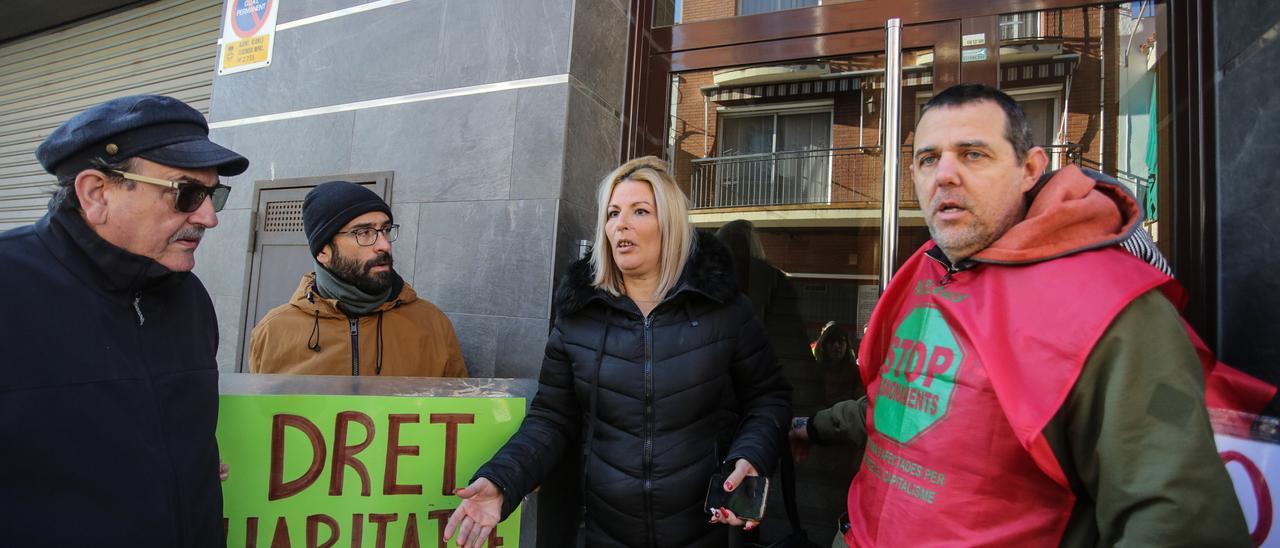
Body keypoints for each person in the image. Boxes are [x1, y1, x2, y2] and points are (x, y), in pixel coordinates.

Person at [791, 84, 1249, 546]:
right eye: (928, 159)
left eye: (972, 154)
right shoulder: (928, 269)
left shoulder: (1109, 308)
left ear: (1029, 169)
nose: (944, 175)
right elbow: (899, 400)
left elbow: (1176, 518)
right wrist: (811, 428)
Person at [444, 156, 792, 547]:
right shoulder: (579, 317)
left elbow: (769, 400)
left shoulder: (724, 311)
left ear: (670, 226)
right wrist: (503, 479)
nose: (620, 224)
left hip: (705, 533)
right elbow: (551, 418)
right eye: (612, 214)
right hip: (603, 533)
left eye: (639, 211)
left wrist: (752, 457)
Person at [0, 95, 248, 545]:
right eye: (186, 193)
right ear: (97, 194)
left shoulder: (188, 298)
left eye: (213, 195)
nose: (208, 217)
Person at [249, 181, 466, 377]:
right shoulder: (274, 332)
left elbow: (458, 413)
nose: (384, 245)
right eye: (364, 232)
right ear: (323, 251)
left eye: (386, 230)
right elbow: (261, 417)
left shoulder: (432, 324)